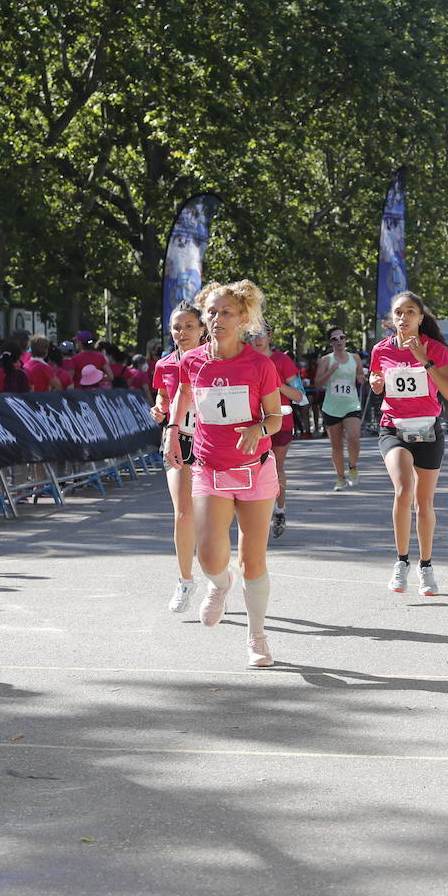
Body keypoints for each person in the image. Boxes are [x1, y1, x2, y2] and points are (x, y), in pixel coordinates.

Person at [164, 280, 283, 668]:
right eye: (211, 312)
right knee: (211, 558)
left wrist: (257, 429)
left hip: (255, 471)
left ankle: (257, 637)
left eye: (226, 312)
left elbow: (275, 417)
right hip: (209, 469)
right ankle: (219, 584)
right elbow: (183, 394)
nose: (216, 319)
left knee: (253, 560)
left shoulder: (259, 364)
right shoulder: (192, 360)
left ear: (244, 318)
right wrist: (172, 430)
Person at [368, 291, 448, 597]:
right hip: (393, 427)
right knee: (403, 488)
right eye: (398, 313)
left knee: (424, 501)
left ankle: (426, 566)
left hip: (428, 428)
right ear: (391, 319)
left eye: (409, 312)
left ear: (421, 317)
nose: (403, 318)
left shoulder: (437, 350)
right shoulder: (381, 349)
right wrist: (375, 384)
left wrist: (425, 360)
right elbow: (378, 381)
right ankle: (401, 561)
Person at [151, 301, 207, 613]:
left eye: (188, 326)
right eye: (176, 327)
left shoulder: (214, 361)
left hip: (213, 442)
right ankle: (185, 580)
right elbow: (162, 395)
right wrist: (159, 408)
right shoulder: (165, 364)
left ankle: (214, 569)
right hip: (178, 442)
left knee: (211, 517)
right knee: (183, 513)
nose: (182, 332)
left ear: (202, 329)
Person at [247, 323, 302, 537]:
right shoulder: (244, 358)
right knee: (250, 469)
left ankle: (279, 510)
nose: (257, 339)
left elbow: (299, 396)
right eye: (252, 335)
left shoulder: (282, 361)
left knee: (275, 467)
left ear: (269, 336)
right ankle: (254, 516)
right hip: (251, 423)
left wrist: (274, 383)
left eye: (261, 334)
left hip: (279, 423)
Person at [315, 326, 363, 491]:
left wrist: (361, 377)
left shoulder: (355, 358)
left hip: (351, 405)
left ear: (345, 339)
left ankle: (353, 467)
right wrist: (330, 372)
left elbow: (360, 377)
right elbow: (318, 383)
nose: (339, 341)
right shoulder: (326, 360)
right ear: (331, 343)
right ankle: (341, 478)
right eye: (335, 339)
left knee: (354, 437)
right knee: (336, 446)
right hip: (332, 407)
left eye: (342, 337)